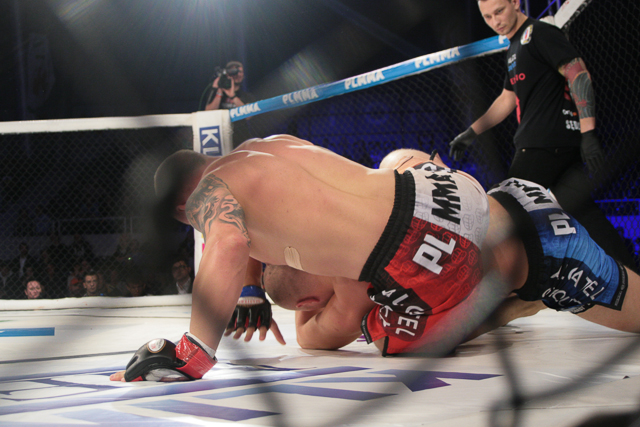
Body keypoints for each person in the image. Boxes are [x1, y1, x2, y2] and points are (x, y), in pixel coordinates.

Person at [110, 134, 491, 382]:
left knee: (376, 334)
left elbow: (228, 242)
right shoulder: (267, 146)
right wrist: (250, 286)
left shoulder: (204, 196)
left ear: (182, 208)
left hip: (424, 253)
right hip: (451, 191)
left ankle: (502, 299)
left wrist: (193, 351)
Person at [260, 148, 638, 354]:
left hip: (551, 256)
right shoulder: (341, 198)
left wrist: (271, 286)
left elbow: (309, 337)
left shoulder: (350, 293)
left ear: (310, 302)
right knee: (397, 163)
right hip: (509, 194)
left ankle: (521, 303)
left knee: (389, 338)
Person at [448, 0, 635, 270]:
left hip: (541, 143)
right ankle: (631, 271)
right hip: (557, 146)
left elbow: (578, 73)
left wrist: (588, 132)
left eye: (499, 11)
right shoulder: (514, 47)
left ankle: (498, 282)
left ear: (515, 3)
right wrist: (471, 132)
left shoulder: (539, 32)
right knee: (586, 214)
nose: (495, 21)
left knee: (503, 209)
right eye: (487, 17)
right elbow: (507, 98)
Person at [204, 61, 255, 147]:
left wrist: (233, 96)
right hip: (220, 139)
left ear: (243, 74)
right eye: (235, 71)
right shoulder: (217, 93)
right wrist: (219, 92)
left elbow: (248, 116)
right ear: (228, 74)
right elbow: (208, 112)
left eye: (240, 71)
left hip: (241, 139)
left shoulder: (247, 96)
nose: (238, 74)